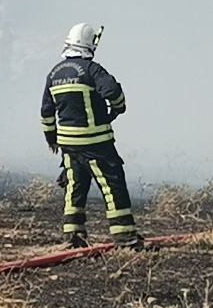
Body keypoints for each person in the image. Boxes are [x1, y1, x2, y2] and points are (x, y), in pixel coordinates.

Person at [39, 23, 149, 250]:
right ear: (90, 44)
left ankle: (73, 236)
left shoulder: (54, 73)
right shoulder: (92, 70)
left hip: (68, 144)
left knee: (75, 185)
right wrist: (117, 109)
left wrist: (51, 138)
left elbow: (46, 112)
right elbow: (113, 92)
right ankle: (126, 239)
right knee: (112, 184)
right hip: (96, 142)